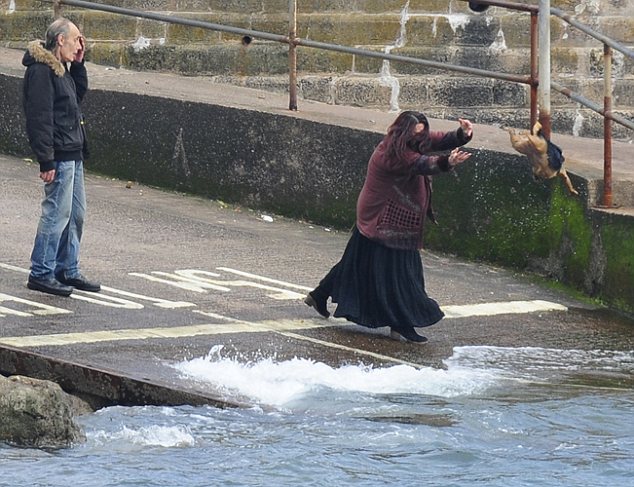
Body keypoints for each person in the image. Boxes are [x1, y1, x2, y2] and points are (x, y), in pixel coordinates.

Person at [304, 111, 473, 343]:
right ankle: (401, 323)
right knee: (402, 273)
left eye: (423, 132)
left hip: (385, 217)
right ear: (404, 134)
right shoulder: (392, 154)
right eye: (417, 133)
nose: (422, 138)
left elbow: (439, 140)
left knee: (355, 262)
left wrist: (462, 134)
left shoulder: (413, 140)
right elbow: (423, 163)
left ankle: (319, 295)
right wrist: (447, 162)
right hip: (384, 219)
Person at [22, 18, 100, 296]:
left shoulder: (61, 70)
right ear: (60, 40)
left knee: (76, 214)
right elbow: (39, 118)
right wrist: (46, 159)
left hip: (74, 152)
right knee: (57, 213)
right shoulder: (42, 72)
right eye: (77, 39)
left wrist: (79, 65)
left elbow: (75, 98)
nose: (80, 44)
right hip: (59, 154)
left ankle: (66, 268)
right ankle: (42, 271)